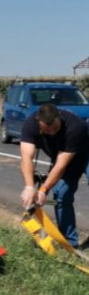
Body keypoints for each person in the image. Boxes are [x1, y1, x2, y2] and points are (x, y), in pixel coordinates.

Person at [20, 103, 89, 247]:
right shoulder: (30, 125)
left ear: (59, 118)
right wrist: (29, 187)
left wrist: (44, 190)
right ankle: (70, 244)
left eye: (55, 129)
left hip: (84, 153)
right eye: (47, 130)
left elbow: (61, 165)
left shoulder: (75, 126)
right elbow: (26, 157)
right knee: (62, 196)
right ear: (39, 122)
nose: (52, 133)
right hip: (63, 157)